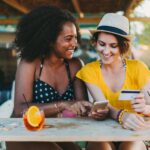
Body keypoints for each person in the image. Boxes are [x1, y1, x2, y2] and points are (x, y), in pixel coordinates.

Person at [6, 5, 92, 150]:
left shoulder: (75, 65)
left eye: (75, 38)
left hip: (54, 132)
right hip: (24, 133)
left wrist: (88, 108)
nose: (74, 44)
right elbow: (20, 109)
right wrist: (62, 105)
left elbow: (81, 107)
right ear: (50, 40)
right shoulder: (30, 63)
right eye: (68, 39)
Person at [76, 13, 150, 150]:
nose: (106, 51)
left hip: (134, 133)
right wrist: (121, 115)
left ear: (123, 47)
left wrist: (144, 108)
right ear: (95, 42)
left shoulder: (138, 68)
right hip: (102, 133)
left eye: (113, 46)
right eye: (102, 44)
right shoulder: (89, 71)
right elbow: (105, 106)